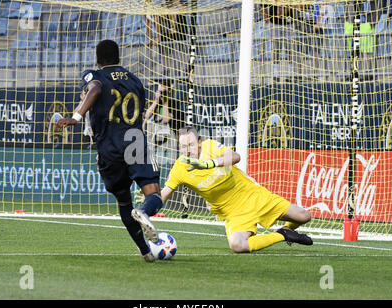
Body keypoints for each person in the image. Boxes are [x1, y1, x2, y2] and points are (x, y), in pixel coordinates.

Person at [56, 40, 162, 262]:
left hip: (108, 147)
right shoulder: (135, 81)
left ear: (98, 59)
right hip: (133, 140)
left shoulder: (93, 75)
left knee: (124, 201)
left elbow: (94, 88)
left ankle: (145, 251)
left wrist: (76, 116)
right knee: (153, 193)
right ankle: (144, 212)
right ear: (119, 57)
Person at [138, 126, 313, 253]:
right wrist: (149, 204)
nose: (187, 150)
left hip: (253, 196)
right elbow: (164, 195)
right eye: (183, 147)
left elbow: (235, 156)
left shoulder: (210, 147)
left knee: (304, 216)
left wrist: (209, 164)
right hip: (233, 213)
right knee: (237, 245)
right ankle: (283, 234)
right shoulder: (180, 168)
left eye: (190, 145)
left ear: (199, 142)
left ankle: (289, 228)